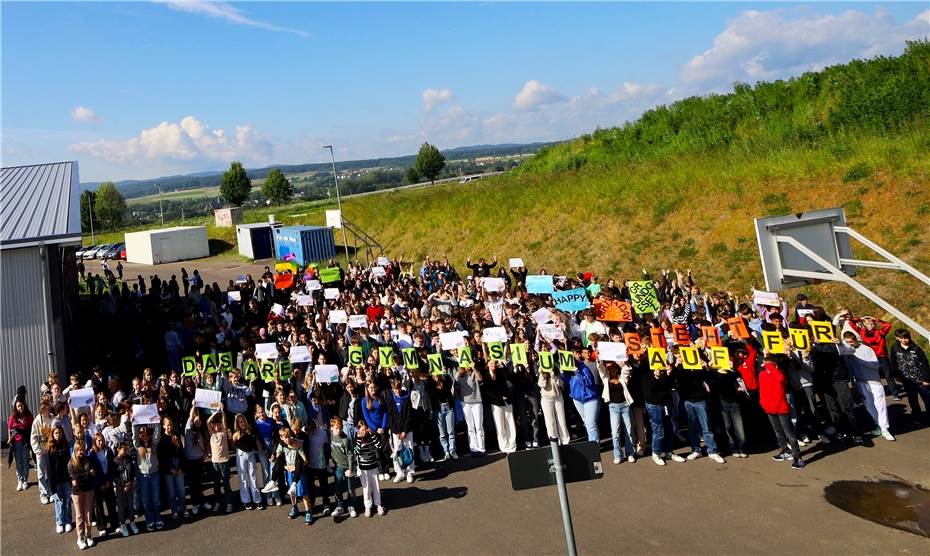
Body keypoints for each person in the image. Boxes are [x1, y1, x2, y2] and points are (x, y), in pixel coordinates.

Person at [838, 331, 894, 441]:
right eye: (847, 343)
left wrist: (859, 360)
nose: (850, 345)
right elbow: (849, 368)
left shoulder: (866, 349)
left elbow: (876, 365)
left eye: (851, 342)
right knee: (869, 406)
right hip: (860, 382)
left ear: (855, 340)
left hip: (874, 382)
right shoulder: (846, 352)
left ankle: (885, 428)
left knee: (880, 405)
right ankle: (878, 424)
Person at [758, 355, 804, 469]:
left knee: (789, 433)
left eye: (767, 364)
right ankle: (785, 450)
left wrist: (771, 365)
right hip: (769, 408)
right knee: (778, 431)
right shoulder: (762, 374)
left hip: (781, 408)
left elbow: (780, 379)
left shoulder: (779, 374)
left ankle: (797, 457)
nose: (764, 365)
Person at [598, 361, 636, 464]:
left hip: (625, 406)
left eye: (614, 367)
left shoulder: (622, 377)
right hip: (613, 407)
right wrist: (600, 360)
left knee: (628, 430)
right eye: (610, 368)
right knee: (615, 433)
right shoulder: (605, 378)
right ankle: (618, 455)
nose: (612, 370)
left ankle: (630, 453)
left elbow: (627, 369)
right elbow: (600, 368)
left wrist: (620, 361)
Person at [890, 329, 930, 424]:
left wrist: (927, 379)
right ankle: (917, 417)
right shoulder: (894, 348)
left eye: (906, 338)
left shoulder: (916, 348)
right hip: (907, 380)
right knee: (913, 400)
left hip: (920, 379)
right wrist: (896, 375)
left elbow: (924, 364)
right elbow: (893, 362)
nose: (904, 340)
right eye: (901, 338)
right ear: (897, 338)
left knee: (927, 399)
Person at [563, 349, 601, 443]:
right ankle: (595, 441)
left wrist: (577, 371)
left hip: (590, 399)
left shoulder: (583, 367)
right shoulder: (567, 370)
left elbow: (588, 382)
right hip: (577, 399)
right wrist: (562, 373)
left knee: (591, 423)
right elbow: (567, 383)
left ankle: (593, 446)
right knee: (587, 423)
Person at [132, 418, 163, 531]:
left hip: (154, 474)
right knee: (146, 501)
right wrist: (134, 423)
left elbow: (157, 434)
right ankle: (149, 520)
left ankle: (158, 518)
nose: (144, 435)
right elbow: (134, 437)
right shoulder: (138, 447)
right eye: (141, 433)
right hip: (143, 476)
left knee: (156, 499)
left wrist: (157, 422)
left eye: (146, 433)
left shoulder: (153, 444)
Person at [352, 419, 386, 517]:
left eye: (365, 429)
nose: (364, 432)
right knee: (366, 489)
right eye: (362, 430)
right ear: (358, 430)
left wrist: (372, 434)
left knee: (376, 486)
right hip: (363, 468)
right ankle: (368, 506)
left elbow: (379, 446)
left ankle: (378, 504)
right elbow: (356, 453)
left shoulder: (371, 437)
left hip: (373, 466)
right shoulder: (356, 439)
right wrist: (359, 439)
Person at [386, 379, 417, 482]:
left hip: (407, 430)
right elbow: (390, 416)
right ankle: (399, 472)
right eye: (395, 389)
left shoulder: (406, 397)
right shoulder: (390, 398)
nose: (398, 391)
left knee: (409, 450)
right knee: (397, 451)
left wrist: (404, 431)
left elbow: (409, 415)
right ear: (392, 389)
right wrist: (396, 431)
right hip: (396, 431)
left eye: (398, 389)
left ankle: (410, 473)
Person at [157, 416, 187, 519]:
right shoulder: (162, 439)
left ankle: (183, 508)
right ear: (164, 426)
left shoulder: (176, 436)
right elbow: (161, 457)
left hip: (178, 465)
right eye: (168, 425)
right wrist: (170, 469)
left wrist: (181, 467)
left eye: (171, 424)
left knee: (181, 490)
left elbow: (181, 452)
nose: (170, 426)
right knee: (171, 492)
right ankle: (174, 510)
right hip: (168, 468)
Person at [68, 441, 96, 549]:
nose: (81, 451)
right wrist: (87, 474)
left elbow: (92, 474)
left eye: (82, 449)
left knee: (88, 515)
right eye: (78, 450)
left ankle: (88, 535)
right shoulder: (71, 463)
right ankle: (80, 538)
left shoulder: (88, 460)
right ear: (75, 451)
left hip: (88, 489)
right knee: (79, 516)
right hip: (77, 492)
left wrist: (85, 476)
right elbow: (76, 480)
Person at [485, 360, 517, 454]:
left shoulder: (501, 372)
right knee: (500, 426)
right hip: (496, 403)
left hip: (507, 401)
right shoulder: (486, 375)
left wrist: (502, 365)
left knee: (510, 424)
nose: (493, 365)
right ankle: (504, 446)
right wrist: (500, 398)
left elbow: (508, 377)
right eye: (491, 363)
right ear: (488, 365)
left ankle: (512, 445)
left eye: (494, 363)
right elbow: (488, 391)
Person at [329, 416, 358, 518]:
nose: (339, 430)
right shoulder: (330, 435)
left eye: (340, 428)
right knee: (338, 487)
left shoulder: (345, 440)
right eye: (337, 428)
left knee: (351, 488)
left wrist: (350, 469)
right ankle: (340, 506)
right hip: (338, 466)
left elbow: (350, 455)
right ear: (331, 427)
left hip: (348, 467)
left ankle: (351, 506)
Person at [90, 432, 118, 538]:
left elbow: (112, 467)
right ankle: (102, 527)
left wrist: (108, 481)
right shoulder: (91, 454)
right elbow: (92, 472)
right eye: (98, 441)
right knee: (99, 506)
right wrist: (100, 484)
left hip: (108, 481)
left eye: (102, 440)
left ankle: (115, 524)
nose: (101, 442)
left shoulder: (108, 451)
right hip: (98, 484)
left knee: (111, 504)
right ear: (95, 442)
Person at [47, 425, 74, 533]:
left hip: (66, 479)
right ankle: (60, 522)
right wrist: (51, 484)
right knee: (58, 502)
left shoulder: (65, 445)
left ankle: (68, 521)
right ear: (52, 435)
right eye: (56, 433)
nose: (58, 435)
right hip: (56, 480)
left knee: (67, 500)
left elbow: (69, 462)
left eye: (60, 433)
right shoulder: (50, 448)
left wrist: (71, 477)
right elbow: (48, 468)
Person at [207, 405, 234, 513]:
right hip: (215, 462)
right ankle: (218, 502)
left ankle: (229, 503)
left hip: (225, 461)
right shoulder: (211, 433)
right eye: (215, 424)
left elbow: (224, 421)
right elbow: (208, 422)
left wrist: (222, 410)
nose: (217, 426)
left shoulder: (223, 432)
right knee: (216, 484)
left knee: (226, 483)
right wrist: (214, 413)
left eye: (218, 424)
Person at [455, 362, 486, 455]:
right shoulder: (459, 375)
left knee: (479, 426)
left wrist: (474, 368)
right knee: (470, 427)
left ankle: (481, 447)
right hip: (465, 403)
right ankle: (473, 448)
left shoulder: (473, 372)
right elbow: (455, 386)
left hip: (477, 402)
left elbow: (480, 379)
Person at [538, 366, 571, 445]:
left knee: (561, 419)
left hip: (558, 397)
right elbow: (541, 384)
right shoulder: (542, 371)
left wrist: (553, 375)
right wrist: (542, 374)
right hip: (546, 398)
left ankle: (565, 441)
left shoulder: (556, 370)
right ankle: (554, 441)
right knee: (550, 421)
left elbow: (561, 384)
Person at [30, 400, 55, 504]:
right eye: (44, 409)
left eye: (48, 409)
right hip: (41, 451)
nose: (46, 411)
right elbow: (33, 437)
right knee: (41, 473)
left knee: (50, 472)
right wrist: (37, 450)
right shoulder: (37, 421)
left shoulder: (52, 418)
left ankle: (51, 492)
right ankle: (43, 494)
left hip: (50, 450)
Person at [112, 442, 139, 536]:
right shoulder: (114, 461)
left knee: (130, 504)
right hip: (120, 487)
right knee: (121, 506)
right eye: (124, 449)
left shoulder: (128, 459)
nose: (125, 451)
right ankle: (123, 524)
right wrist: (123, 484)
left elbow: (132, 472)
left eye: (126, 449)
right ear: (118, 449)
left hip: (129, 485)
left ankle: (132, 521)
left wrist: (130, 482)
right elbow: (114, 476)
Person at [8, 398, 33, 491]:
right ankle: (20, 480)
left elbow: (32, 427)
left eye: (21, 405)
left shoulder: (28, 416)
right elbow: (9, 428)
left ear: (24, 406)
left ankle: (25, 480)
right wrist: (10, 439)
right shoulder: (13, 417)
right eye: (18, 406)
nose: (20, 407)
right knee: (19, 462)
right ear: (16, 407)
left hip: (26, 442)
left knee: (25, 461)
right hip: (16, 442)